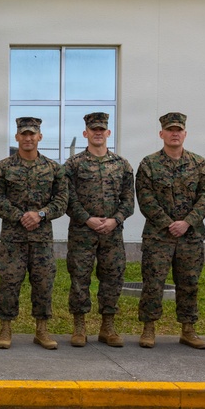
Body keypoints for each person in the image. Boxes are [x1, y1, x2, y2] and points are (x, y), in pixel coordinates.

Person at [0, 116, 68, 350]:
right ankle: (5, 328)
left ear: (40, 137)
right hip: (13, 238)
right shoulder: (2, 168)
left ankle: (41, 330)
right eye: (23, 134)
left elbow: (62, 201)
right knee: (9, 281)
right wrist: (21, 216)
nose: (28, 138)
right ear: (16, 137)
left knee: (43, 283)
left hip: (42, 239)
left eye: (32, 134)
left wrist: (41, 214)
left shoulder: (54, 169)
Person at [135, 112, 205, 349]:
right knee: (153, 282)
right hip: (159, 236)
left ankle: (188, 329)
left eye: (178, 130)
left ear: (185, 134)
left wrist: (187, 222)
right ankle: (148, 329)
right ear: (162, 134)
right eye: (170, 130)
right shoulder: (149, 164)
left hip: (190, 235)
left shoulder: (200, 165)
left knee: (189, 282)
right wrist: (168, 223)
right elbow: (145, 198)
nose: (174, 133)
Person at [63, 112, 134, 348]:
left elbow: (128, 200)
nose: (98, 133)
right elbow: (67, 198)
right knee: (80, 279)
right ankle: (79, 326)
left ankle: (108, 327)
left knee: (112, 278)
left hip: (112, 233)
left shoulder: (122, 165)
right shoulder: (73, 165)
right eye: (93, 129)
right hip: (83, 232)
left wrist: (115, 219)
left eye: (102, 129)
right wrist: (87, 219)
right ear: (86, 133)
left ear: (108, 133)